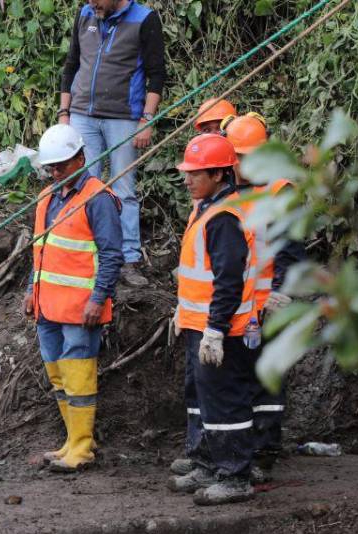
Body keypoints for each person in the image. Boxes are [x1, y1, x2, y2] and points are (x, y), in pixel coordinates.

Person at [23, 124, 124, 472]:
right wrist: (30, 291)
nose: (55, 172)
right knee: (58, 373)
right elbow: (41, 250)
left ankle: (81, 449)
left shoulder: (98, 198)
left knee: (79, 373)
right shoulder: (47, 197)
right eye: (51, 167)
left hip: (82, 308)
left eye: (61, 165)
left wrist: (99, 298)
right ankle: (72, 440)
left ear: (80, 158)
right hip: (47, 305)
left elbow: (112, 254)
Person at [167, 134, 259, 506]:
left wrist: (216, 331)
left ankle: (235, 475)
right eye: (186, 173)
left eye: (196, 173)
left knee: (225, 401)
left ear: (220, 174)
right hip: (198, 323)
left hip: (223, 329)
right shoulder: (207, 208)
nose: (187, 180)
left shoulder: (224, 218)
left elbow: (228, 280)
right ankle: (206, 462)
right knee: (202, 398)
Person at [58, 0, 166, 287]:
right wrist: (64, 113)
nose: (93, 3)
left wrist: (147, 119)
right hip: (82, 114)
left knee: (124, 188)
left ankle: (129, 259)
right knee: (83, 187)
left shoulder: (145, 19)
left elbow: (157, 74)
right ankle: (87, 254)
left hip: (124, 117)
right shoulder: (84, 13)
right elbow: (71, 65)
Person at [223, 112, 306, 482]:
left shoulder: (279, 191)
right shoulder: (229, 189)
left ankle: (265, 451)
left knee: (267, 378)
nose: (240, 165)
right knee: (238, 379)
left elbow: (290, 249)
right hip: (237, 302)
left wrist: (281, 294)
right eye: (237, 158)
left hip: (268, 301)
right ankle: (241, 450)